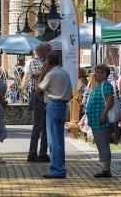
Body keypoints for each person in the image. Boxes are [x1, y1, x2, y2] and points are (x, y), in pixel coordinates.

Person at [35, 51, 72, 179]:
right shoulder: (65, 73)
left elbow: (38, 89)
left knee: (53, 140)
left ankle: (56, 170)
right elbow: (71, 93)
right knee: (60, 139)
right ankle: (60, 167)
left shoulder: (51, 74)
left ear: (48, 62)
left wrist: (42, 72)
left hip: (53, 105)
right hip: (63, 106)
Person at [86, 64, 115, 178]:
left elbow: (110, 101)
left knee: (103, 144)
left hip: (102, 121)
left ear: (104, 74)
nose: (95, 75)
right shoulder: (99, 86)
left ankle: (106, 170)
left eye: (98, 72)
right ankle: (105, 168)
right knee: (101, 144)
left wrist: (103, 113)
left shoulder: (106, 85)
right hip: (96, 121)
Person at [27, 43, 51, 163]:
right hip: (38, 95)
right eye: (48, 50)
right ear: (41, 51)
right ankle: (32, 154)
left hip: (48, 95)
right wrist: (46, 69)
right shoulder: (34, 62)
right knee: (38, 126)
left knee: (47, 126)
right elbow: (36, 76)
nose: (50, 52)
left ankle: (43, 153)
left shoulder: (50, 62)